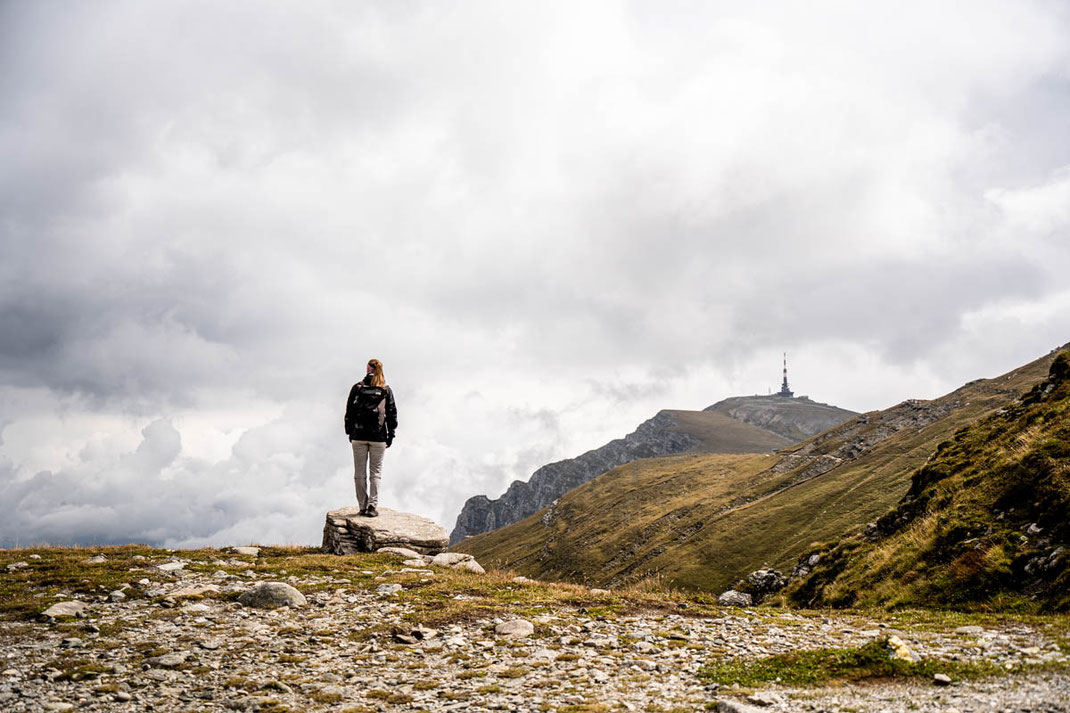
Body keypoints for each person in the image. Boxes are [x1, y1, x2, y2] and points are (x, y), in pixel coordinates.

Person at [344, 358, 397, 517]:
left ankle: (362, 506)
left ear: (368, 369)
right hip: (378, 437)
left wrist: (350, 432)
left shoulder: (358, 388)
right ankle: (372, 506)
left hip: (358, 436)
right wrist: (390, 435)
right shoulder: (385, 390)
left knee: (359, 473)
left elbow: (349, 412)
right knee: (376, 473)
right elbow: (392, 415)